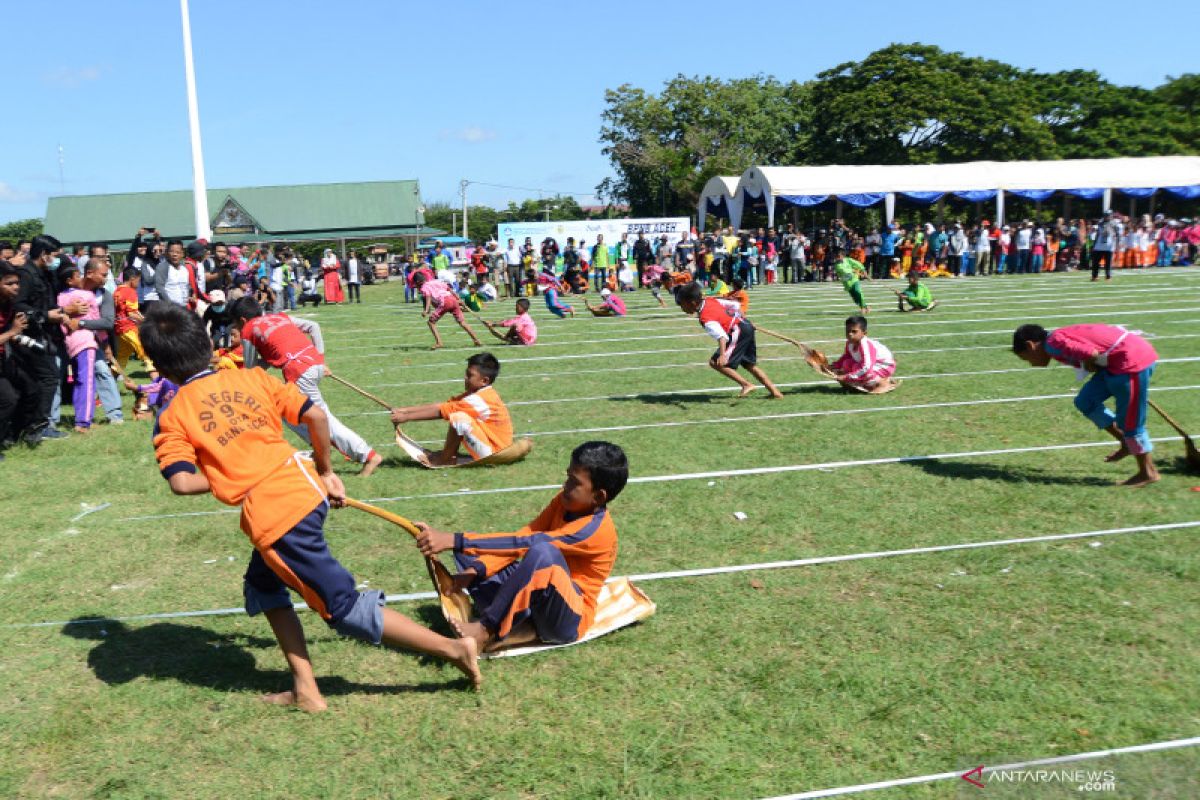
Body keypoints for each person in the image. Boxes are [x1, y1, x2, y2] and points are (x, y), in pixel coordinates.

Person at [139, 303, 480, 710]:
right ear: (209, 343)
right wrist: (324, 470)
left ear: (158, 364)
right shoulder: (253, 379)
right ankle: (305, 689)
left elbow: (180, 481)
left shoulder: (171, 415)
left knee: (343, 607)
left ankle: (454, 650)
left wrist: (234, 476)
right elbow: (316, 417)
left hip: (278, 519)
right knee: (264, 585)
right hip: (305, 490)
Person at [412, 441, 626, 652]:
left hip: (567, 621)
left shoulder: (592, 531)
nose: (565, 486)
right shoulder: (563, 501)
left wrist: (456, 539)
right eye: (567, 476)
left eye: (573, 482)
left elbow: (530, 543)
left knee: (542, 552)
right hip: (540, 596)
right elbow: (526, 535)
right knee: (473, 555)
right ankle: (520, 626)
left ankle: (486, 629)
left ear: (598, 496)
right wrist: (476, 569)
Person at [232, 297, 383, 476]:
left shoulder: (249, 329)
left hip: (299, 370)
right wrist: (320, 358)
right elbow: (313, 326)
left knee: (321, 418)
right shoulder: (279, 317)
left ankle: (368, 455)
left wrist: (232, 365)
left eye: (236, 325)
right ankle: (319, 446)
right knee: (287, 411)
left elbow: (251, 370)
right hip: (312, 365)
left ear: (242, 320)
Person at [1012, 323, 1159, 487]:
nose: (1030, 364)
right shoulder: (1055, 340)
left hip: (1131, 362)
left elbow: (1091, 353)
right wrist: (1092, 362)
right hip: (1117, 362)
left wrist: (1090, 361)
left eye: (1026, 358)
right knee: (1085, 401)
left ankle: (1148, 472)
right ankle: (1125, 441)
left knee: (1130, 422)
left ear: (1030, 345)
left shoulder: (1053, 344)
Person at [389, 352, 513, 466]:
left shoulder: (478, 400)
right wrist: (404, 410)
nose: (465, 377)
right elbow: (443, 406)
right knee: (458, 415)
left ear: (484, 381)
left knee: (458, 418)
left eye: (470, 375)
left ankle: (445, 459)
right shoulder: (476, 394)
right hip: (494, 448)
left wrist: (406, 417)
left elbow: (440, 411)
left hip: (496, 453)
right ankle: (447, 455)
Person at [675, 281, 782, 399]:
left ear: (693, 303)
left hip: (737, 331)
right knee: (748, 364)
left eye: (682, 305)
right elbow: (735, 305)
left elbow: (722, 337)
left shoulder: (705, 318)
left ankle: (746, 384)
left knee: (715, 363)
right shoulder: (710, 300)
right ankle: (776, 393)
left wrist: (722, 355)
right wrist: (743, 320)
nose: (682, 309)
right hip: (744, 326)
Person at [413, 272, 482, 349]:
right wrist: (458, 299)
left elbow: (428, 297)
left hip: (444, 302)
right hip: (452, 299)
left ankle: (439, 343)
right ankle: (476, 340)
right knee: (462, 322)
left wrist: (426, 310)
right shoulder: (435, 281)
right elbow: (450, 289)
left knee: (431, 322)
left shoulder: (424, 287)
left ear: (418, 282)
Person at [830, 315, 897, 393]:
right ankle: (870, 382)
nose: (850, 334)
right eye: (847, 331)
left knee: (866, 374)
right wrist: (835, 366)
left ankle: (883, 383)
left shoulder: (866, 345)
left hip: (884, 366)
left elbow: (866, 368)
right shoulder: (850, 343)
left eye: (854, 331)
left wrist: (846, 377)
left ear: (864, 333)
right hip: (871, 364)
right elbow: (847, 356)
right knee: (847, 364)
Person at [832, 248, 870, 313]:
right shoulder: (837, 266)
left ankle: (863, 308)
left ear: (843, 256)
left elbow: (857, 264)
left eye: (838, 256)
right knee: (855, 298)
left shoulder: (848, 260)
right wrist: (855, 272)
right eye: (836, 256)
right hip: (847, 283)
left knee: (858, 292)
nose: (837, 258)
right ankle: (866, 307)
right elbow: (846, 274)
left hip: (854, 280)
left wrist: (863, 270)